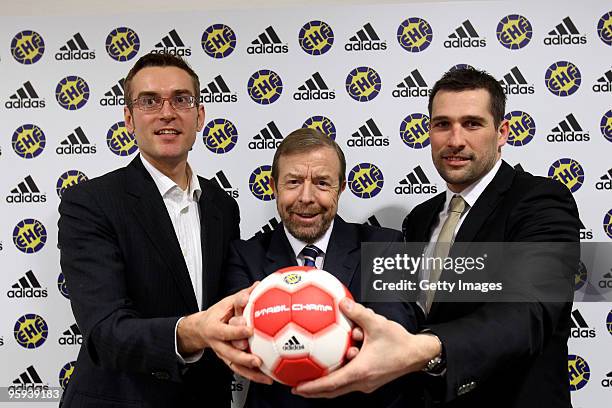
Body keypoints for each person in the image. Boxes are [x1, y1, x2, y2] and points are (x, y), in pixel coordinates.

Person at [293, 67, 580, 408]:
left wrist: (425, 347)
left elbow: (529, 310)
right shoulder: (421, 218)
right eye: (442, 124)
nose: (455, 140)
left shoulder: (540, 201)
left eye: (472, 123)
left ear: (501, 132)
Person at [58, 52, 263, 407]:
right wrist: (192, 331)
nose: (167, 112)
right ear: (128, 118)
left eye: (181, 99)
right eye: (150, 101)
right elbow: (105, 331)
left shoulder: (222, 206)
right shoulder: (90, 203)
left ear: (199, 117)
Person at [224, 128, 418, 407]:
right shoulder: (245, 255)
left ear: (341, 187)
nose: (306, 197)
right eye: (293, 182)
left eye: (322, 183)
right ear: (272, 186)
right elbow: (240, 339)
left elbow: (393, 331)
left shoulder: (384, 245)